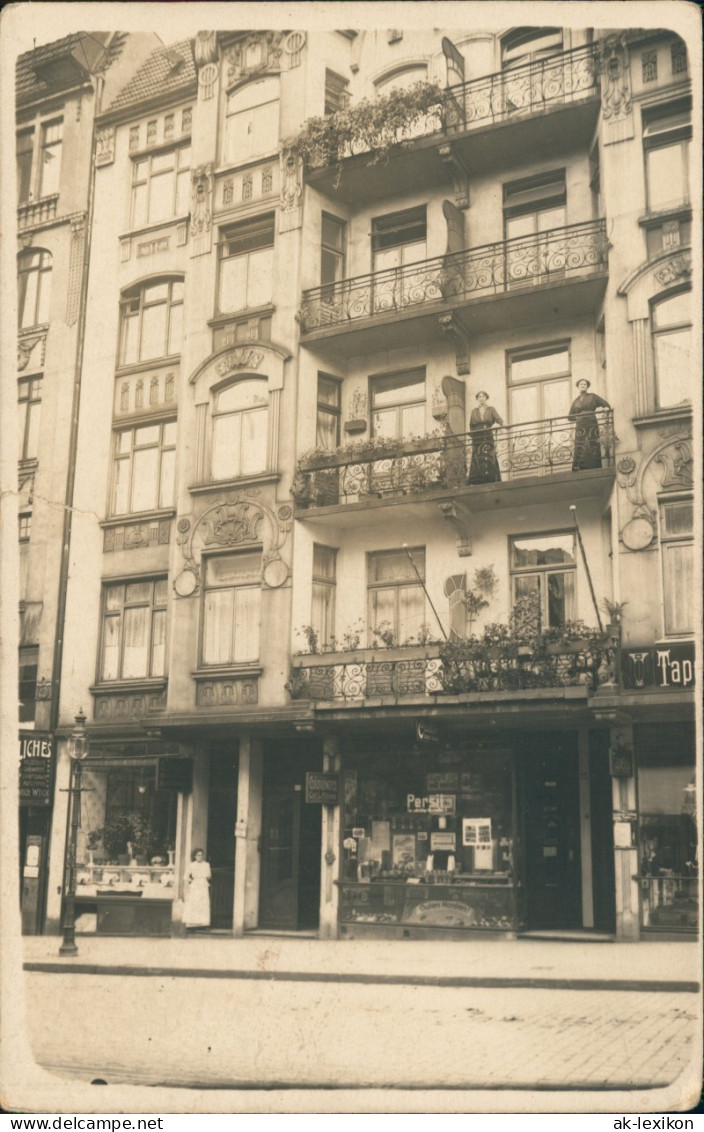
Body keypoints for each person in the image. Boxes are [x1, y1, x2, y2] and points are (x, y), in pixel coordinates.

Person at [568, 379, 610, 471]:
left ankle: (593, 464)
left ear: (587, 386)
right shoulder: (576, 401)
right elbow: (570, 417)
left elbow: (605, 404)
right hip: (580, 425)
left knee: (592, 441)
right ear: (578, 386)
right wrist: (579, 418)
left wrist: (605, 408)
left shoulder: (593, 396)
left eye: (584, 384)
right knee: (580, 443)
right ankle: (580, 465)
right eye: (581, 384)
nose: (583, 385)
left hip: (591, 422)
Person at [468, 391, 503, 483]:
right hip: (477, 436)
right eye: (479, 397)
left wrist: (498, 426)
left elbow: (500, 420)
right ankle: (476, 479)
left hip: (487, 435)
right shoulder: (474, 411)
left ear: (486, 398)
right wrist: (473, 437)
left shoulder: (491, 409)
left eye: (483, 396)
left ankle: (491, 478)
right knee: (478, 455)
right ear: (477, 399)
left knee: (489, 454)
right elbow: (471, 426)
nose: (481, 398)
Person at [183, 848, 211, 930]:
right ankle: (192, 924)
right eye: (198, 855)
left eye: (201, 855)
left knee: (203, 903)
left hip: (203, 885)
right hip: (195, 886)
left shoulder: (206, 864)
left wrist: (203, 878)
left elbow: (209, 875)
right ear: (195, 856)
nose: (200, 857)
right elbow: (185, 876)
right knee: (194, 903)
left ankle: (203, 924)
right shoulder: (191, 865)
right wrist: (191, 882)